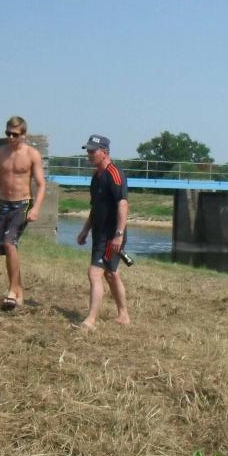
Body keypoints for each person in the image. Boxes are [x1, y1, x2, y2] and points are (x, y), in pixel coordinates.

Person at [0, 116, 45, 310]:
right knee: (7, 249)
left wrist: (36, 208)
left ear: (23, 135)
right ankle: (18, 292)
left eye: (15, 134)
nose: (11, 137)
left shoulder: (32, 154)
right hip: (4, 204)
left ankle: (12, 291)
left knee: (10, 243)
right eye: (8, 133)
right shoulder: (0, 152)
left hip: (23, 204)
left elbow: (41, 184)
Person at [75, 134, 130, 330]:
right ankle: (123, 315)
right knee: (111, 274)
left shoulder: (114, 174)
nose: (89, 154)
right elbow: (95, 207)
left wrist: (119, 235)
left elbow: (123, 204)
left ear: (105, 152)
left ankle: (90, 320)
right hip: (99, 235)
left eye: (93, 151)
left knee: (94, 273)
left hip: (111, 236)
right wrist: (85, 230)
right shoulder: (96, 176)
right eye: (88, 151)